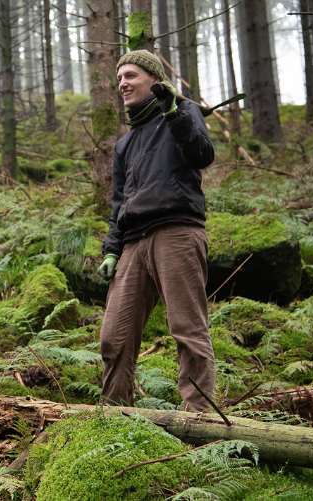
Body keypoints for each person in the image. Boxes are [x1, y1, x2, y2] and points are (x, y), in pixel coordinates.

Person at [96, 50, 216, 412]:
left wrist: (172, 111)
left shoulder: (183, 112)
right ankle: (113, 419)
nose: (122, 84)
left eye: (131, 75)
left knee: (188, 329)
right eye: (119, 79)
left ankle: (202, 421)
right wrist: (112, 250)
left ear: (154, 79)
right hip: (132, 243)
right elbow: (119, 203)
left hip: (177, 232)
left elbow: (201, 154)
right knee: (114, 337)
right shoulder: (124, 144)